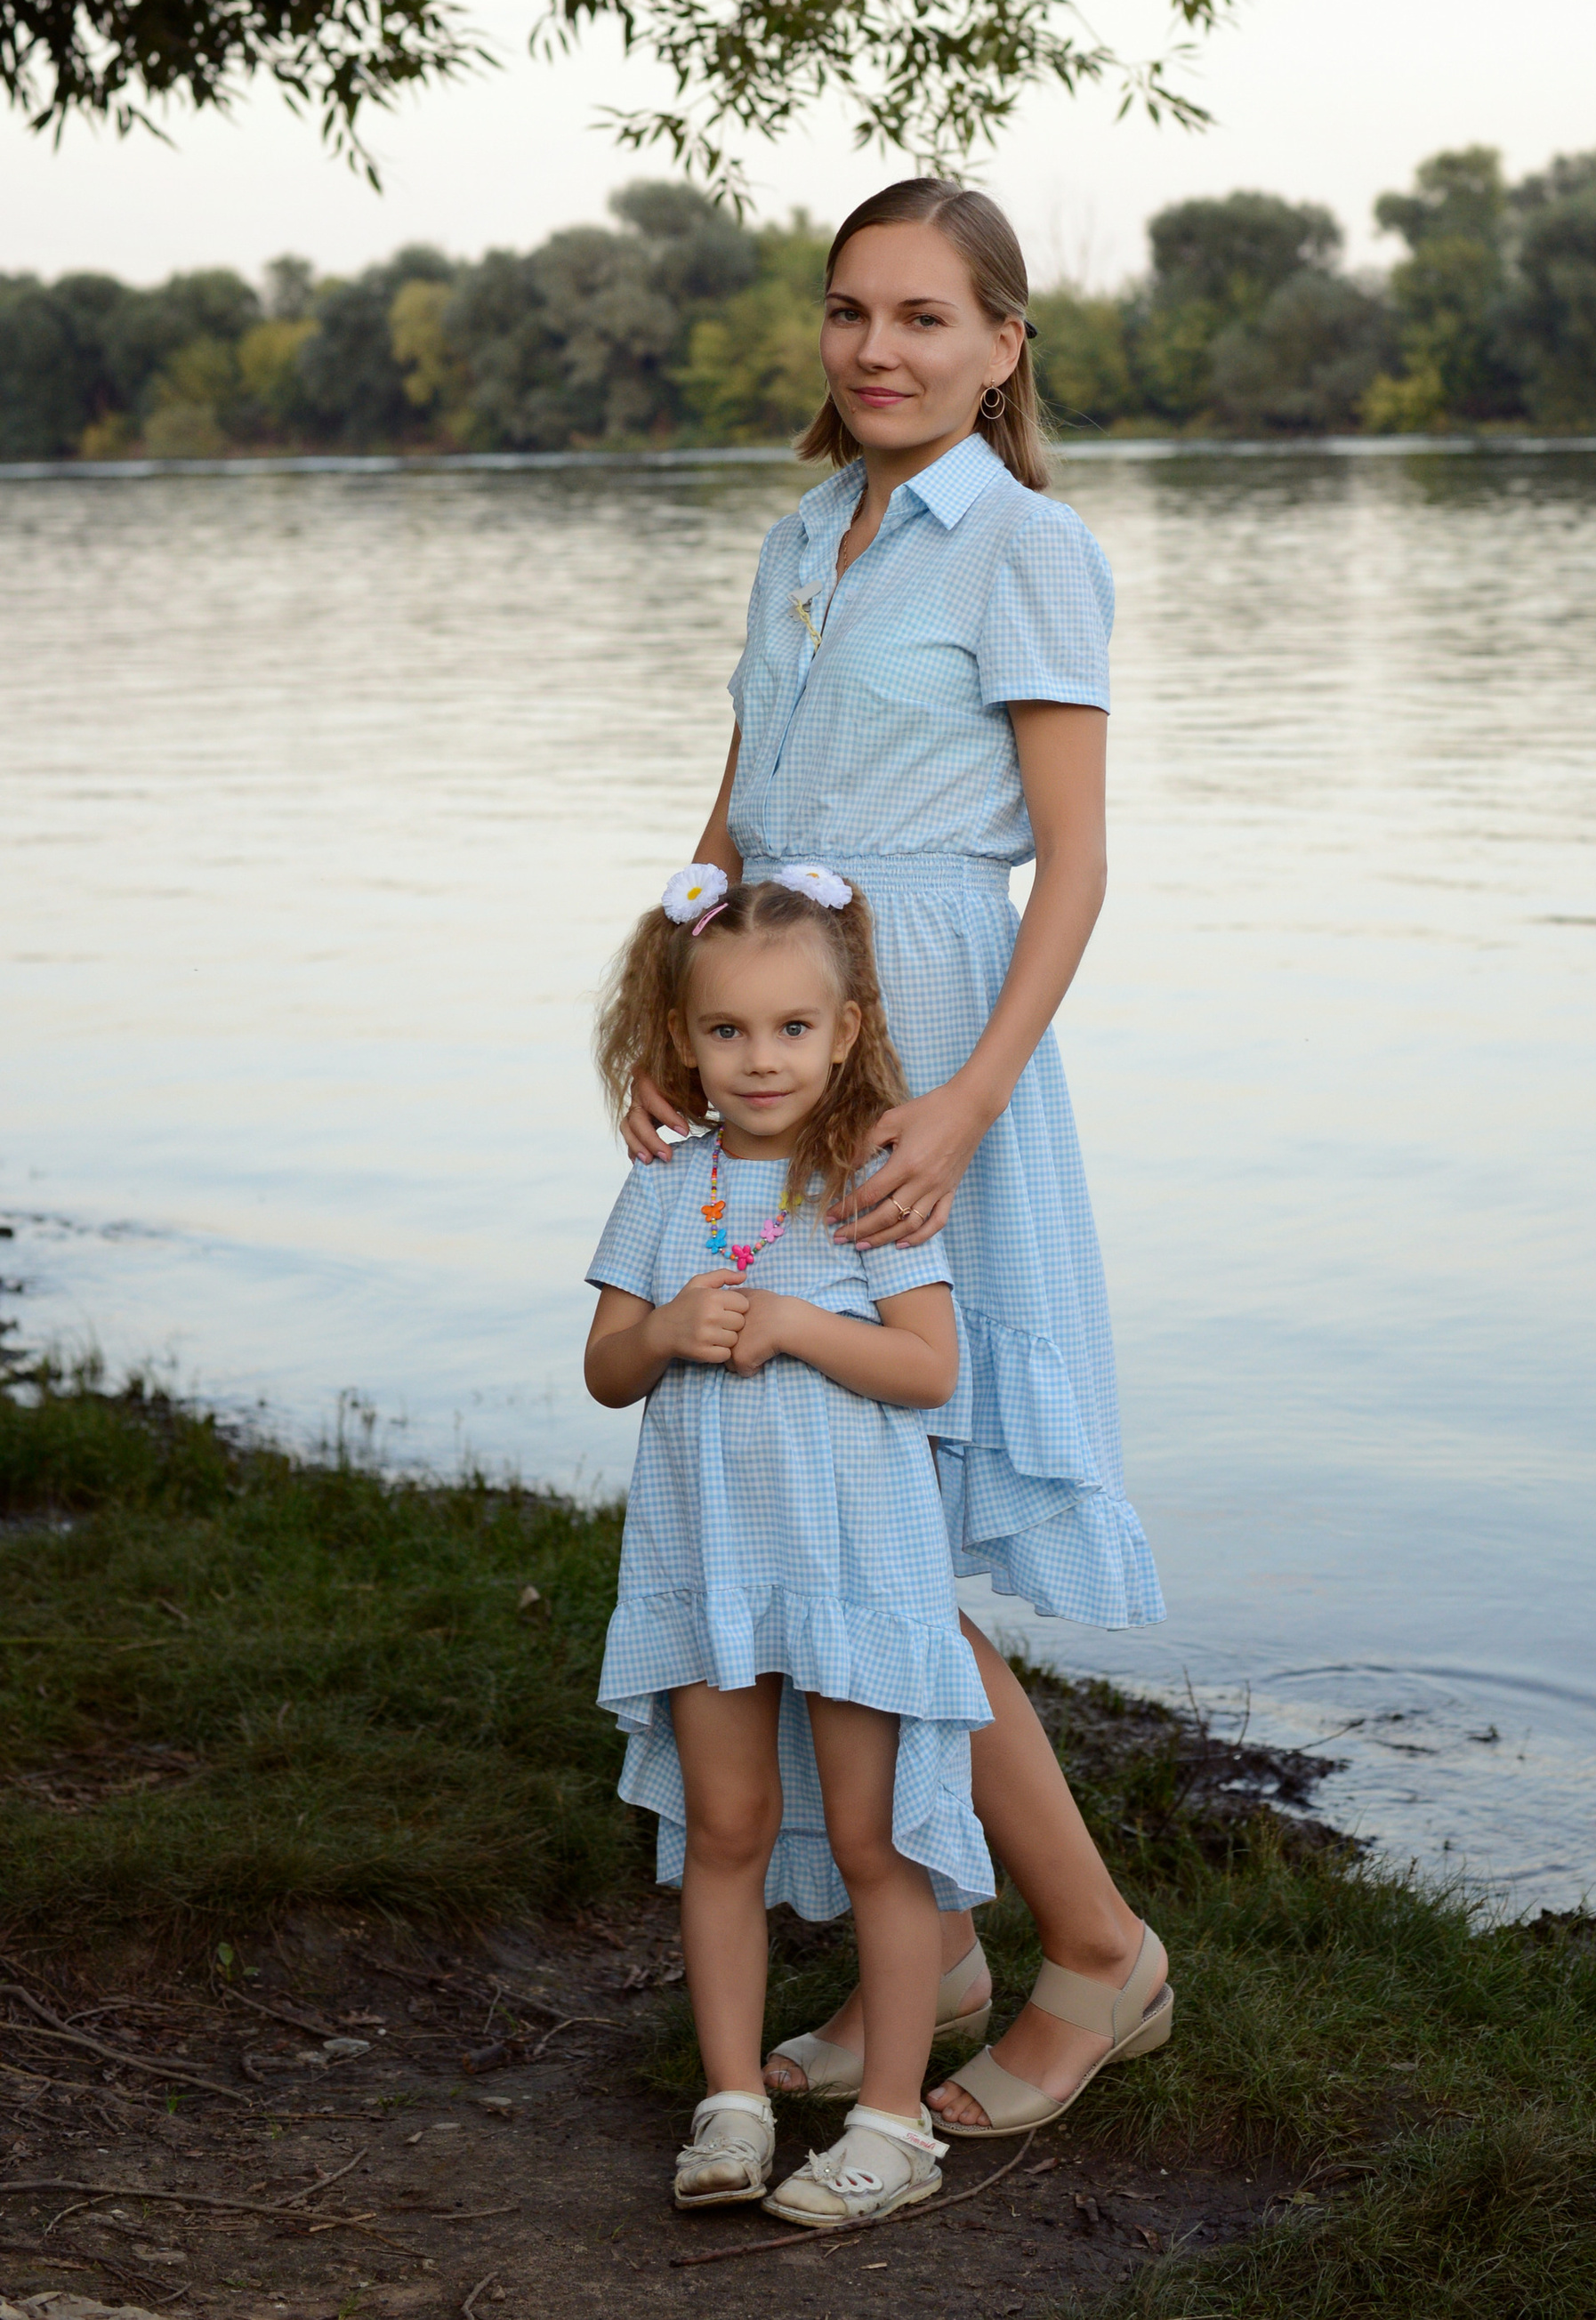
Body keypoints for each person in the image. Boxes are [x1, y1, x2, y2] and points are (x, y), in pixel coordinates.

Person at [617, 176, 1172, 2139]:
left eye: (926, 318)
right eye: (851, 312)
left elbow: (1078, 860)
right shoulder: (798, 534)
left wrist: (957, 1100)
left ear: (1004, 344)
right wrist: (665, 995)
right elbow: (744, 789)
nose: (877, 349)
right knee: (840, 1527)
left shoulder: (1022, 546)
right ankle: (914, 1954)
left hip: (927, 1038)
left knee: (878, 1540)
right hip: (780, 1024)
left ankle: (1094, 1953)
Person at [584, 864, 987, 2228]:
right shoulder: (664, 1190)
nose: (762, 1060)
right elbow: (603, 1368)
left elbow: (930, 1365)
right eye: (728, 1031)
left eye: (793, 1029)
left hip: (855, 1569)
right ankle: (733, 2101)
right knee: (728, 1824)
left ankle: (892, 2120)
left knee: (878, 1840)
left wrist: (798, 1325)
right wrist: (663, 1331)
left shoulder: (873, 1183)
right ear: (682, 1038)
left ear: (848, 1033)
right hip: (712, 1567)